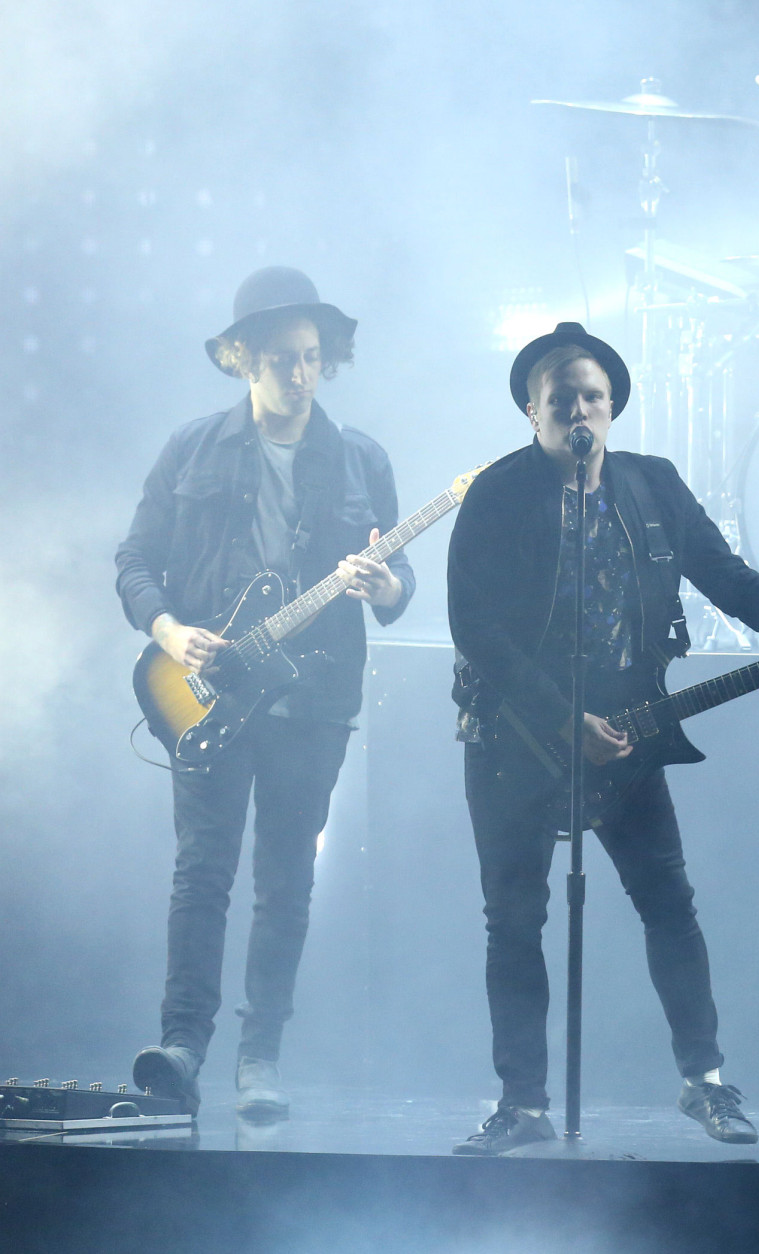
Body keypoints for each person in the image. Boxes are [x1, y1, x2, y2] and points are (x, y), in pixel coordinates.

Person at [446, 323, 759, 1156]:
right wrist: (559, 721)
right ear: (531, 413)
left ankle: (707, 1083)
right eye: (559, 399)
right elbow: (476, 627)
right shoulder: (498, 493)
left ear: (611, 407)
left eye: (591, 396)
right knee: (513, 919)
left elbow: (729, 580)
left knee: (669, 906)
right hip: (515, 736)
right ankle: (524, 1103)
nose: (576, 409)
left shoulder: (652, 487)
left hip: (628, 730)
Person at [116, 267, 415, 1122]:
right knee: (200, 872)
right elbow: (134, 561)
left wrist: (383, 589)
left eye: (314, 358)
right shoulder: (192, 449)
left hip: (312, 701)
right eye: (283, 357)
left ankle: (260, 1056)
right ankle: (182, 1045)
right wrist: (170, 633)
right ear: (242, 357)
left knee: (286, 881)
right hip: (207, 691)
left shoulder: (362, 461)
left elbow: (402, 587)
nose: (301, 373)